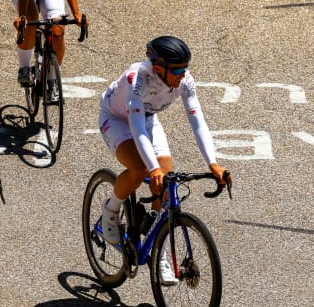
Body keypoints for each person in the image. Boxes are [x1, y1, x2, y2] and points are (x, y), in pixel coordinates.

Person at [97, 35, 230, 285]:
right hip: (118, 120)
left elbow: (197, 121)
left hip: (148, 120)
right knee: (138, 170)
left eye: (185, 68)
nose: (183, 74)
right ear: (158, 68)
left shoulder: (184, 81)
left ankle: (159, 253)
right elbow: (135, 128)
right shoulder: (137, 79)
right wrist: (152, 167)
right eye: (177, 69)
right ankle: (110, 213)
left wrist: (212, 163)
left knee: (167, 184)